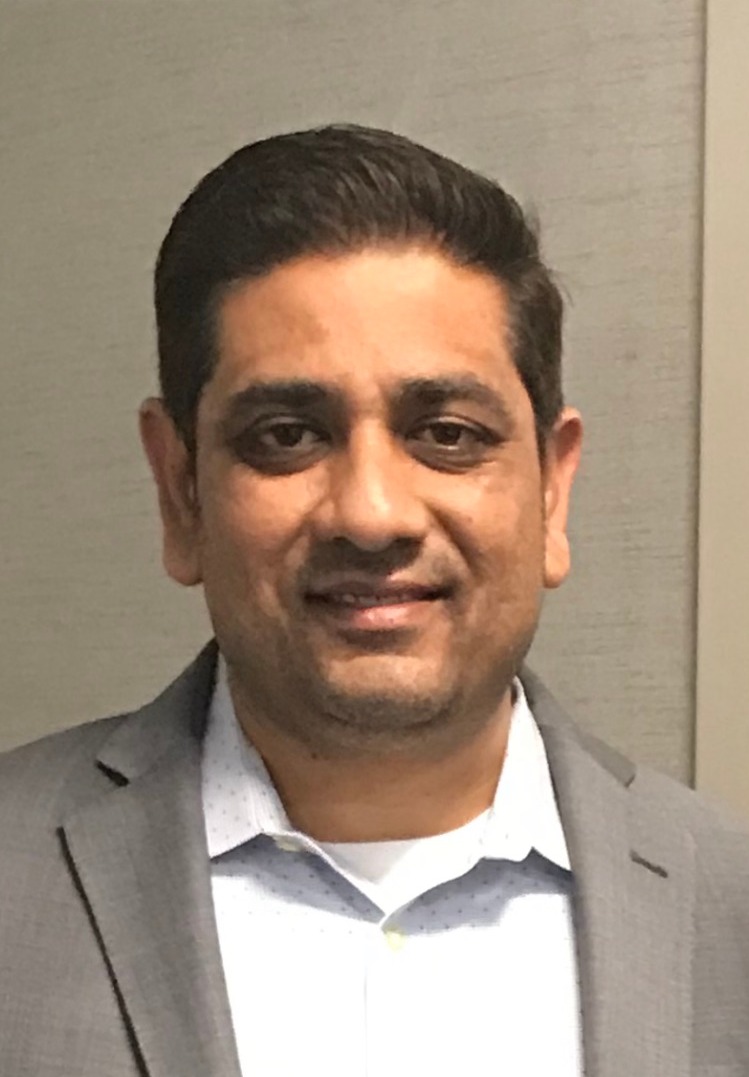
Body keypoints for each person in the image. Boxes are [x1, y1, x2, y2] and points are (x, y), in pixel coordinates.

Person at [1, 124, 747, 1077]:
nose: (371, 512)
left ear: (551, 491)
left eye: (446, 432)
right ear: (180, 491)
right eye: (285, 434)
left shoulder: (728, 906)